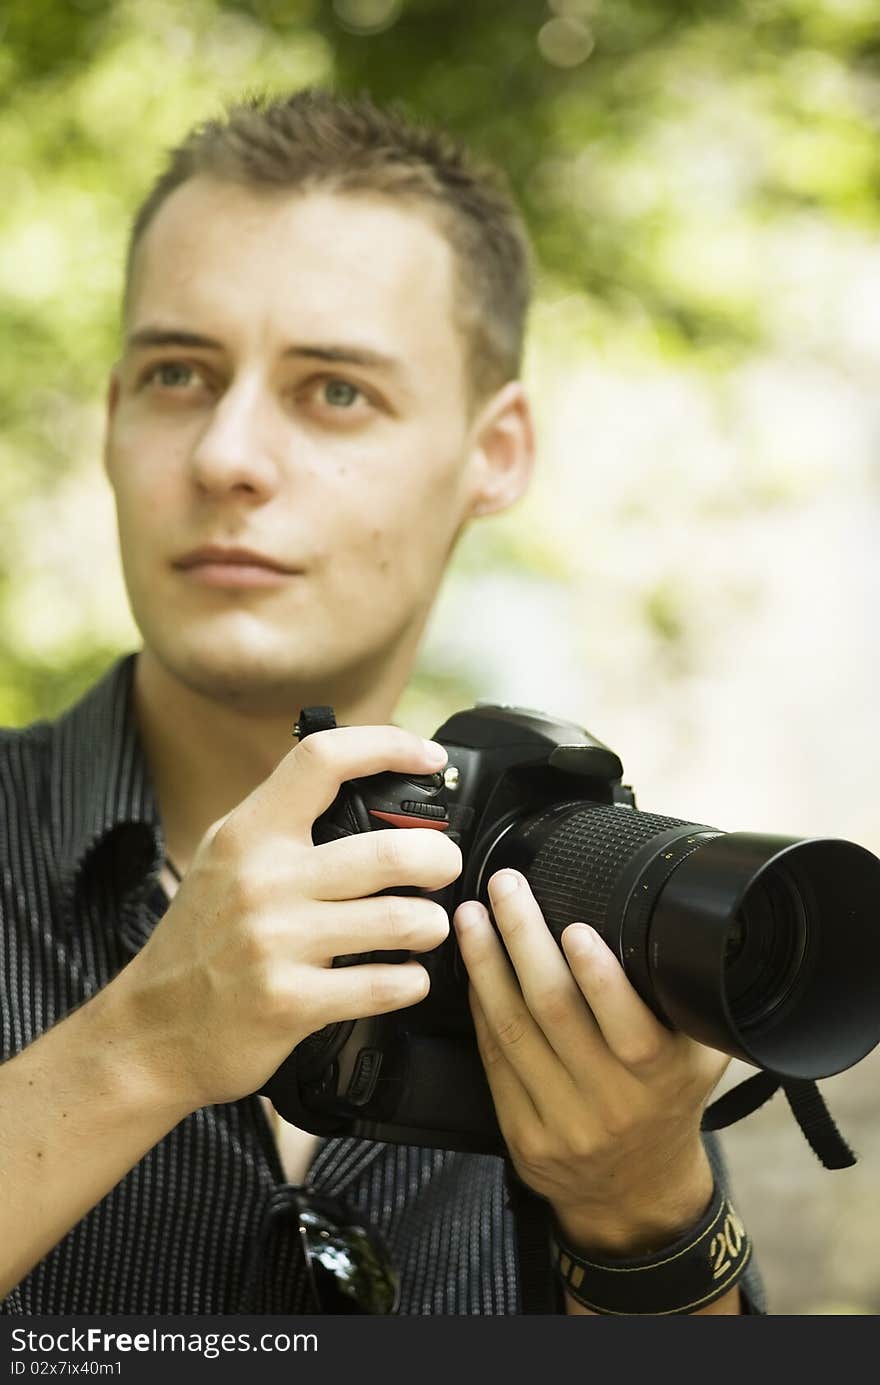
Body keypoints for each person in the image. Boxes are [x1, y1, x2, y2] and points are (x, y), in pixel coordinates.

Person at [0, 88, 763, 1316]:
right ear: (112, 416)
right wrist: (135, 1047)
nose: (225, 455)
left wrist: (639, 1205)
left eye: (334, 391)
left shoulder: (567, 907)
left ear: (493, 452)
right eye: (179, 373)